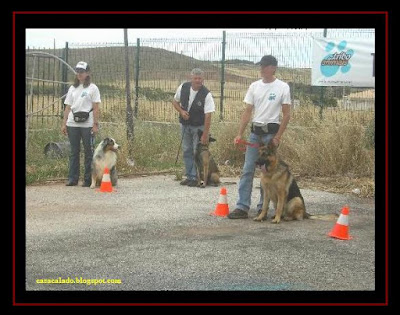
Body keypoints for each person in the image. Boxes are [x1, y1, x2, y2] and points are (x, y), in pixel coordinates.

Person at [228, 55, 292, 219]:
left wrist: (278, 136)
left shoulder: (282, 87)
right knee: (247, 169)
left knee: (267, 172)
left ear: (273, 67)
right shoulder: (254, 86)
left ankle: (261, 209)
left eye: (265, 66)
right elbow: (248, 111)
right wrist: (239, 134)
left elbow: (286, 115)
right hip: (255, 133)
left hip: (271, 135)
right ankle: (242, 207)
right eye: (261, 66)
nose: (262, 69)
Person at [172, 68, 216, 187]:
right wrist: (181, 112)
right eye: (195, 78)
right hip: (185, 125)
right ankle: (190, 176)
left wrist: (205, 134)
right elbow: (175, 102)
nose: (197, 81)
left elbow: (208, 115)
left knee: (197, 152)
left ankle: (198, 177)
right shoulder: (183, 87)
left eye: (200, 78)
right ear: (191, 78)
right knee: (187, 150)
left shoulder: (207, 94)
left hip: (199, 127)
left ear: (203, 79)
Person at [61, 61, 101, 187]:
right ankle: (72, 178)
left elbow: (96, 108)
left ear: (87, 73)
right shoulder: (72, 88)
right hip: (72, 123)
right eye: (77, 71)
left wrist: (95, 124)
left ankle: (88, 179)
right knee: (74, 151)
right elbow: (67, 107)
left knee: (88, 151)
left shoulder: (93, 88)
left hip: (87, 124)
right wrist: (64, 123)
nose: (79, 74)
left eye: (82, 71)